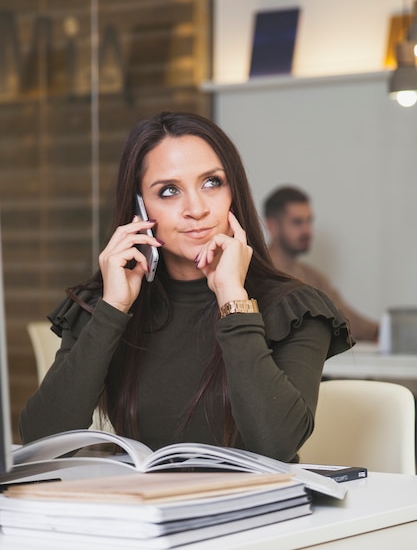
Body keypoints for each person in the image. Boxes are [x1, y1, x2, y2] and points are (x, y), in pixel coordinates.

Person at [19, 112, 352, 464]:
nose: (196, 209)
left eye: (212, 183)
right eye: (169, 191)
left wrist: (232, 298)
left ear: (233, 193)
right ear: (139, 208)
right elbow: (41, 440)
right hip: (141, 510)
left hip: (258, 513)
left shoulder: (294, 308)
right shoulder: (105, 304)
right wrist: (113, 308)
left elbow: (276, 446)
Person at [263, 186, 379, 342]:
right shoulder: (257, 271)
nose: (307, 230)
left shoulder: (313, 277)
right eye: (297, 222)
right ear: (272, 226)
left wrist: (383, 331)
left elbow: (349, 321)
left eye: (309, 221)